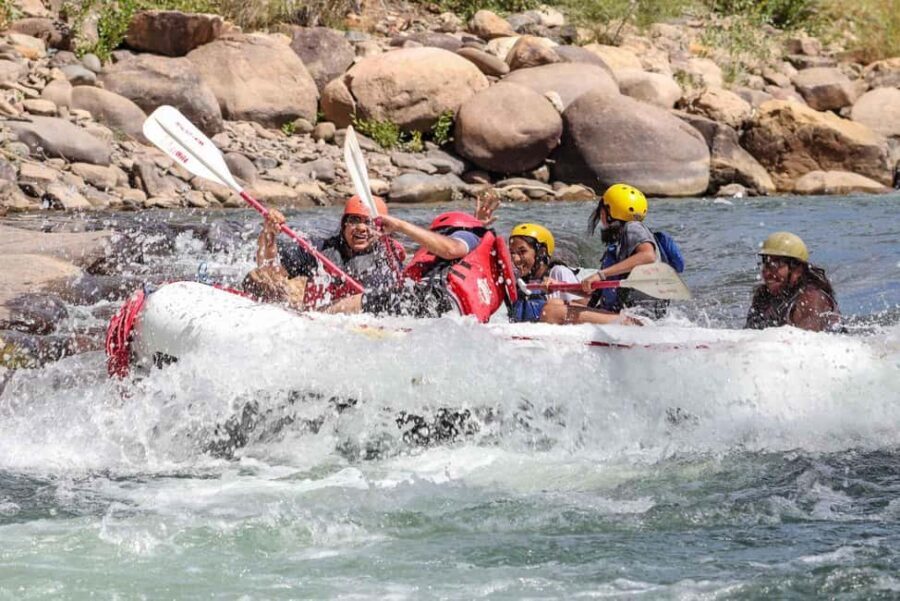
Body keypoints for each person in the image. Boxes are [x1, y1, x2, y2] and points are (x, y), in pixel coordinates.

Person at [327, 194, 516, 322]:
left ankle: (318, 318)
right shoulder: (475, 244)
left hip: (434, 300)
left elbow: (451, 249)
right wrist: (476, 222)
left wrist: (400, 226)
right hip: (450, 311)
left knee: (355, 303)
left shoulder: (465, 237)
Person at [243, 195, 404, 310]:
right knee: (256, 278)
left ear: (382, 229)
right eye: (354, 220)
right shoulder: (320, 249)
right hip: (319, 316)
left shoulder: (389, 260)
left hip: (360, 318)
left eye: (369, 223)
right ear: (344, 225)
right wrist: (269, 234)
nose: (361, 228)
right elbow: (270, 271)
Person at [745, 231, 840, 332]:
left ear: (797, 269)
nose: (768, 272)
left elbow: (806, 342)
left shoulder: (811, 299)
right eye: (766, 264)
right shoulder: (763, 296)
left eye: (776, 265)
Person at [507, 223, 580, 323]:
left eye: (522, 251)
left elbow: (584, 310)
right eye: (512, 252)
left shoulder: (559, 272)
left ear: (541, 252)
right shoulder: (517, 280)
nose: (515, 259)